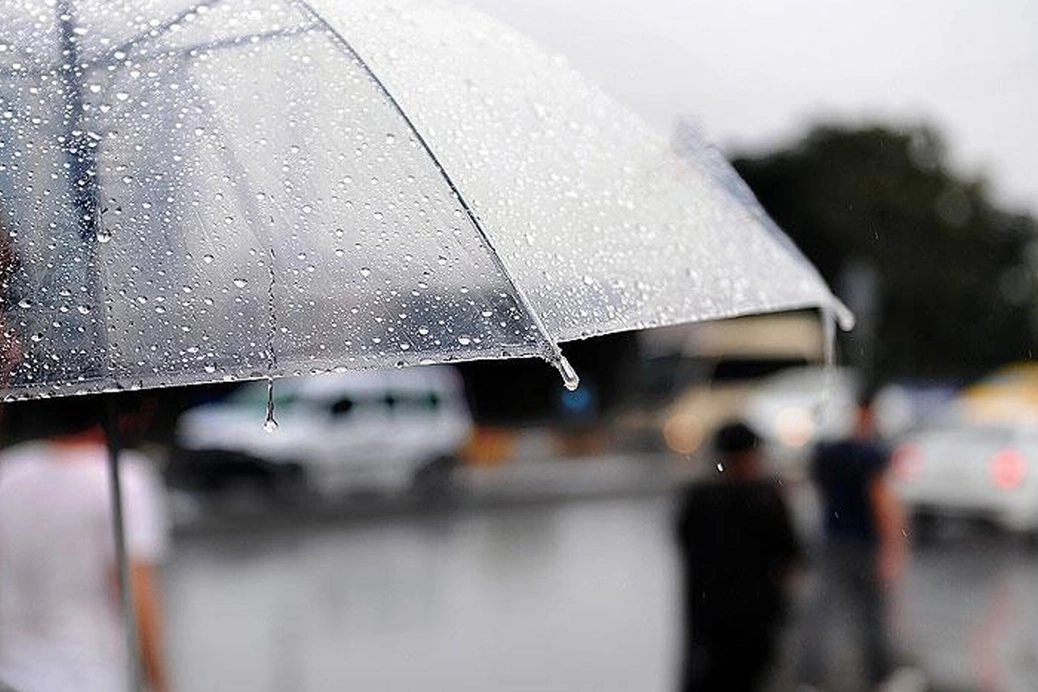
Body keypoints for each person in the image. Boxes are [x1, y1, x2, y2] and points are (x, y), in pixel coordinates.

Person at [0, 396, 170, 692]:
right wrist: (160, 683)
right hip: (91, 671)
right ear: (125, 418)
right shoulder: (124, 478)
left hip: (13, 668)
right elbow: (136, 591)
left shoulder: (11, 469)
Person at [675, 421, 803, 692]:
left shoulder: (698, 498)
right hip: (753, 624)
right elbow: (790, 556)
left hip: (707, 624)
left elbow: (684, 543)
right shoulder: (765, 499)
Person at [797, 392, 909, 691]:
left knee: (823, 612)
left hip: (834, 542)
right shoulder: (869, 456)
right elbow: (882, 501)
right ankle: (881, 677)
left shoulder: (828, 453)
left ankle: (809, 679)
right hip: (863, 544)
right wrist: (892, 548)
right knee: (871, 615)